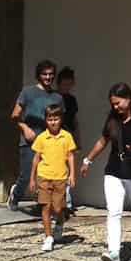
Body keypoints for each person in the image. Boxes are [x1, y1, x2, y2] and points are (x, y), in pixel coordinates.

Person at [80, 82, 131, 261]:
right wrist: (87, 160)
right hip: (114, 171)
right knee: (113, 212)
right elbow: (103, 140)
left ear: (128, 99)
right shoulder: (112, 119)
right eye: (113, 104)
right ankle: (114, 251)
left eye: (118, 103)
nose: (115, 107)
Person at [8, 59, 60, 209]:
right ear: (39, 75)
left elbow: (60, 120)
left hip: (50, 142)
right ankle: (15, 195)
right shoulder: (27, 92)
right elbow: (14, 115)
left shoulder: (57, 97)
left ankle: (42, 204)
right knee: (26, 175)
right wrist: (24, 128)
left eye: (51, 74)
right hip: (29, 141)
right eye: (45, 74)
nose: (48, 77)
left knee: (47, 175)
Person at [27, 104, 76, 252]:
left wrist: (72, 174)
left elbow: (70, 156)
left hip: (60, 178)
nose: (53, 122)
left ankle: (59, 225)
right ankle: (48, 237)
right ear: (46, 120)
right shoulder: (41, 138)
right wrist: (32, 178)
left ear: (60, 119)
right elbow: (36, 158)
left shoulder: (66, 136)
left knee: (58, 208)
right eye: (50, 119)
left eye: (56, 119)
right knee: (45, 207)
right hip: (43, 177)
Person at [57, 66, 80, 210]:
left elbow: (75, 120)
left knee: (67, 169)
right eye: (64, 84)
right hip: (56, 138)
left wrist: (78, 139)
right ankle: (63, 203)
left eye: (69, 84)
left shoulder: (72, 100)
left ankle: (66, 202)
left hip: (69, 137)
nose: (67, 87)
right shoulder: (54, 97)